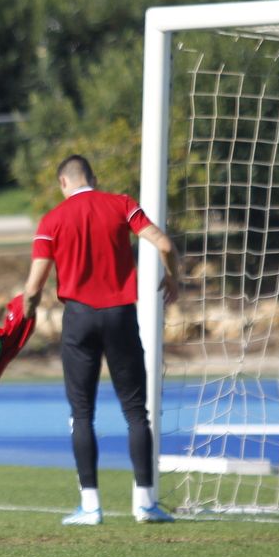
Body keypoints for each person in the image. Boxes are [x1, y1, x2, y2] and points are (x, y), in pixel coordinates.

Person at [21, 154, 182, 526]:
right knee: (135, 411)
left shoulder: (52, 220)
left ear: (64, 183)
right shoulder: (121, 204)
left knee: (81, 413)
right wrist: (173, 277)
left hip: (79, 318)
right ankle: (144, 502)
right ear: (93, 177)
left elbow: (34, 286)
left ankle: (91, 506)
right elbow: (165, 245)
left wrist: (25, 315)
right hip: (120, 314)